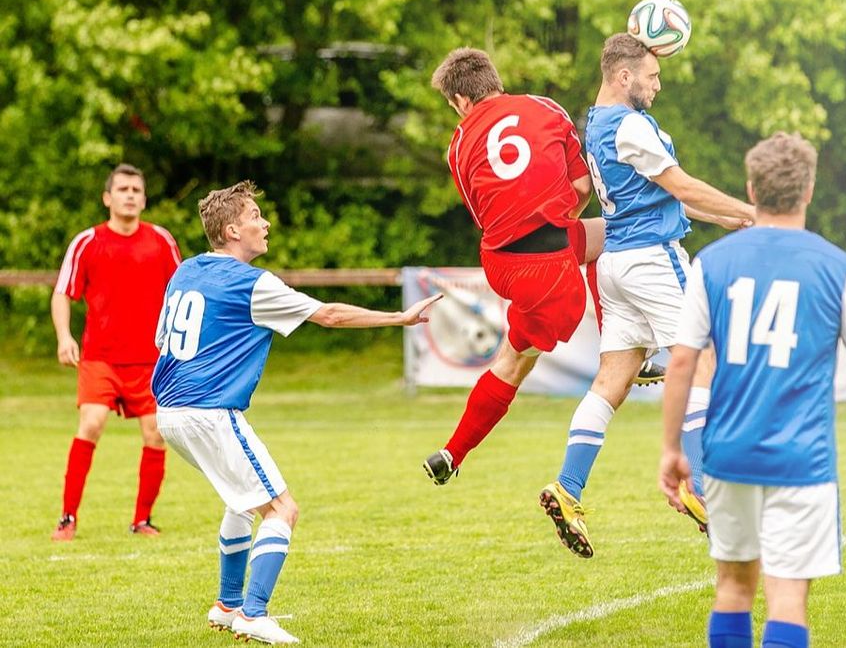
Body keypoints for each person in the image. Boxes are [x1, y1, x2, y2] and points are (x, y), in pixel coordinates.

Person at [151, 181, 440, 644]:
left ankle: (227, 606)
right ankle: (254, 612)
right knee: (282, 510)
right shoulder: (251, 282)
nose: (264, 223)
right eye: (254, 217)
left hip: (169, 411)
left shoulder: (186, 271)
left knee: (240, 502)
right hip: (208, 411)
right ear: (230, 230)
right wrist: (399, 318)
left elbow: (163, 342)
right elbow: (329, 316)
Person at [658, 132, 846, 648]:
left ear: (751, 189)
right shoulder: (836, 266)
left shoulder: (711, 263)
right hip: (801, 460)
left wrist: (673, 447)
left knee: (733, 588)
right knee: (786, 597)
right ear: (808, 191)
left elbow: (681, 362)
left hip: (727, 454)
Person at [538, 33, 756, 558]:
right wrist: (753, 212)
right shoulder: (632, 125)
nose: (658, 86)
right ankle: (700, 487)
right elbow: (681, 187)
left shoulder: (597, 122)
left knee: (612, 378)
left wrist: (736, 218)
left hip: (615, 263)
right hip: (652, 260)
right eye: (652, 77)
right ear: (623, 76)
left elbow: (669, 197)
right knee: (703, 359)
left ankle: (568, 488)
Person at [420, 47, 608, 485]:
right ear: (493, 80)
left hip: (502, 263)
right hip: (551, 268)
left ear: (461, 102)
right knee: (626, 236)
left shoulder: (459, 145)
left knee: (511, 358)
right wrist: (561, 226)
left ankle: (452, 452)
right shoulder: (545, 107)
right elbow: (582, 185)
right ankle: (621, 345)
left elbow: (485, 214)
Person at [50, 163, 182, 541]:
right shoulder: (87, 242)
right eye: (122, 189)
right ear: (108, 198)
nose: (129, 195)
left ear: (144, 198)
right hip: (100, 357)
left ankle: (142, 519)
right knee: (91, 424)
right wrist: (64, 336)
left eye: (136, 190)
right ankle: (67, 517)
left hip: (150, 360)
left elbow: (181, 292)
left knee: (156, 433)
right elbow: (63, 292)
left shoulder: (161, 241)